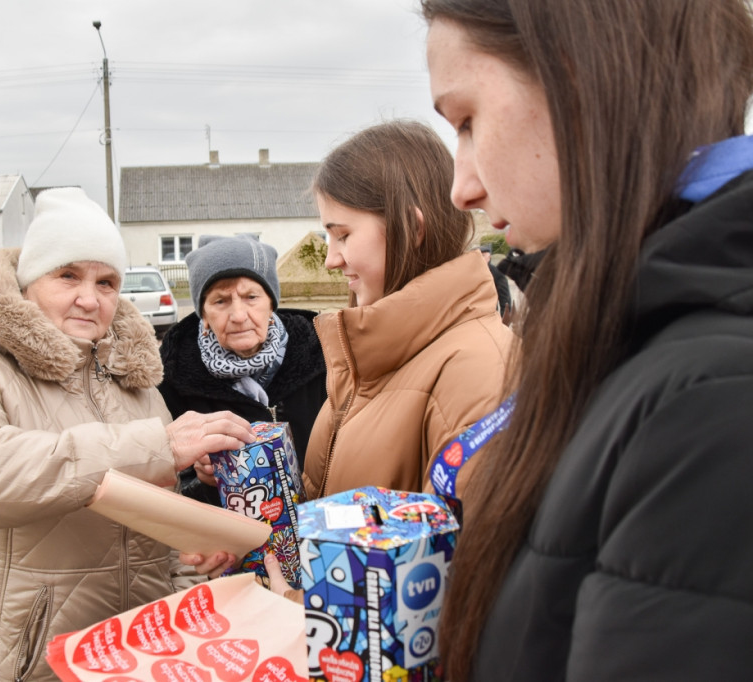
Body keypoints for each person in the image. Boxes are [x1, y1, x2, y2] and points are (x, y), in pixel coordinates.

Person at [421, 1, 753, 679]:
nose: (462, 187)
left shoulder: (713, 399)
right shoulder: (625, 331)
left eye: (466, 121)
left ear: (578, 79)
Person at [0, 188, 254, 682]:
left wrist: (190, 558)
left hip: (128, 652)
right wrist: (157, 447)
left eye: (107, 282)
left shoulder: (133, 380)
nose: (90, 299)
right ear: (30, 282)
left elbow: (147, 512)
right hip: (19, 661)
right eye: (68, 275)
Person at [301, 120, 514, 502]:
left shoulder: (478, 371)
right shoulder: (373, 350)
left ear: (412, 228)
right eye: (327, 236)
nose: (331, 259)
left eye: (344, 235)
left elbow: (466, 553)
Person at [158, 234, 327, 505]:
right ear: (203, 314)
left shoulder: (324, 357)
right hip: (228, 541)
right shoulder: (173, 377)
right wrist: (202, 480)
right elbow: (169, 491)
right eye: (220, 301)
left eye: (251, 297)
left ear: (271, 303)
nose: (238, 316)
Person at [477, 243, 512, 320]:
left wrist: (504, 323)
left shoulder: (497, 274)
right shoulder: (473, 273)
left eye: (483, 256)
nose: (480, 258)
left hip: (491, 317)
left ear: (489, 257)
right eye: (479, 256)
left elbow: (505, 303)